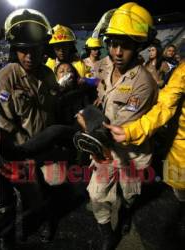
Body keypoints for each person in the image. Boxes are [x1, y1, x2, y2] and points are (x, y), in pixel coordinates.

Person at [77, 3, 158, 249]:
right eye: (113, 44)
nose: (118, 51)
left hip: (131, 153)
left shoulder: (143, 83)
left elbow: (115, 128)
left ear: (138, 47)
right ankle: (106, 234)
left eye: (126, 45)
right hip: (105, 152)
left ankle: (126, 214)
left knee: (130, 194)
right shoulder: (105, 64)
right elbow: (98, 86)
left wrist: (86, 120)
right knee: (97, 195)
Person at [0, 8, 59, 249]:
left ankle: (46, 220)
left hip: (47, 147)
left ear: (43, 49)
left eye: (35, 50)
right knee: (28, 193)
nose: (29, 56)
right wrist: (17, 139)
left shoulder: (48, 74)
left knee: (51, 187)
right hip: (21, 151)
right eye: (24, 50)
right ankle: (24, 228)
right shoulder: (7, 76)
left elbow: (53, 107)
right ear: (16, 50)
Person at [104, 62, 185, 242]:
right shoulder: (183, 72)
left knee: (129, 190)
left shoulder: (144, 80)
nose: (118, 52)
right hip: (181, 152)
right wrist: (132, 131)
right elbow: (164, 106)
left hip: (138, 153)